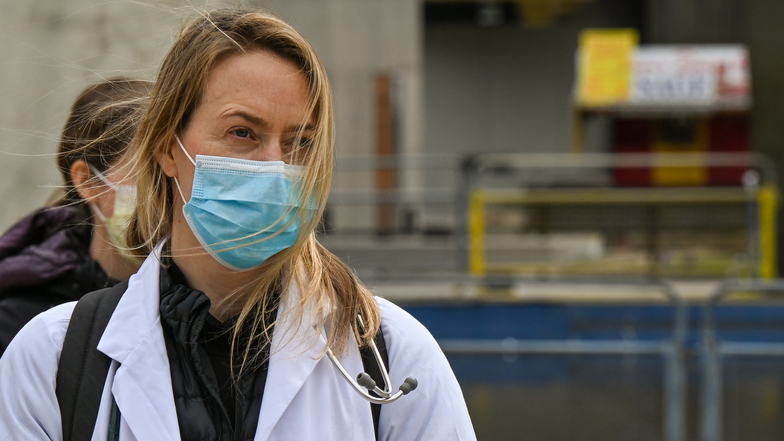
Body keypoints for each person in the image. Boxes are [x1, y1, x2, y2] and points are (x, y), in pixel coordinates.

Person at [0, 8, 476, 441]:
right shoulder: (54, 359)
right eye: (243, 133)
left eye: (300, 143)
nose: (276, 167)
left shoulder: (391, 354)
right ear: (168, 149)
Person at [0, 78, 149, 356]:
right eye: (150, 172)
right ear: (88, 182)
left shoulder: (206, 306)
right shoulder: (20, 327)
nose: (169, 191)